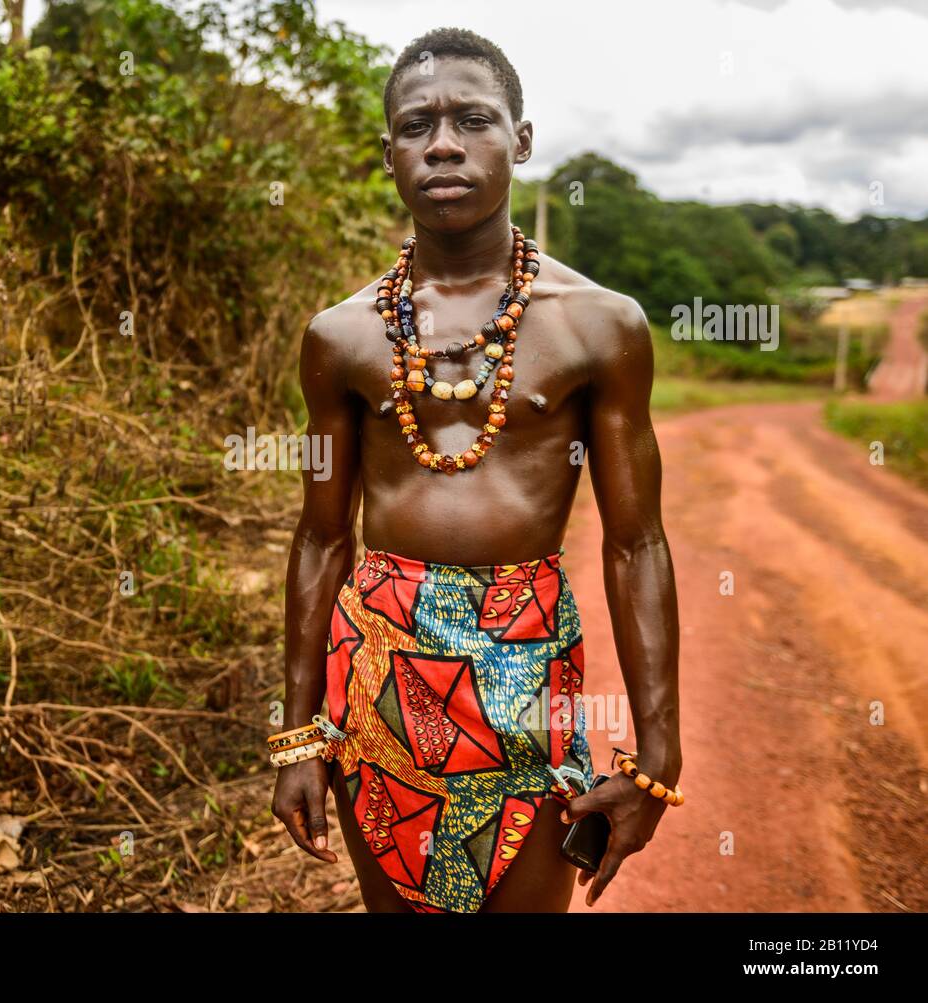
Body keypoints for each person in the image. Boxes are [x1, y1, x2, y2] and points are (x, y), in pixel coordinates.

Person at [270, 27, 681, 913]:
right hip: (379, 660)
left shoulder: (598, 326)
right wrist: (299, 734)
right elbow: (320, 536)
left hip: (525, 662)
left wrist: (658, 752)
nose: (444, 142)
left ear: (520, 141)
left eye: (473, 119)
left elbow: (636, 540)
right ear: (390, 156)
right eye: (418, 125)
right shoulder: (341, 336)